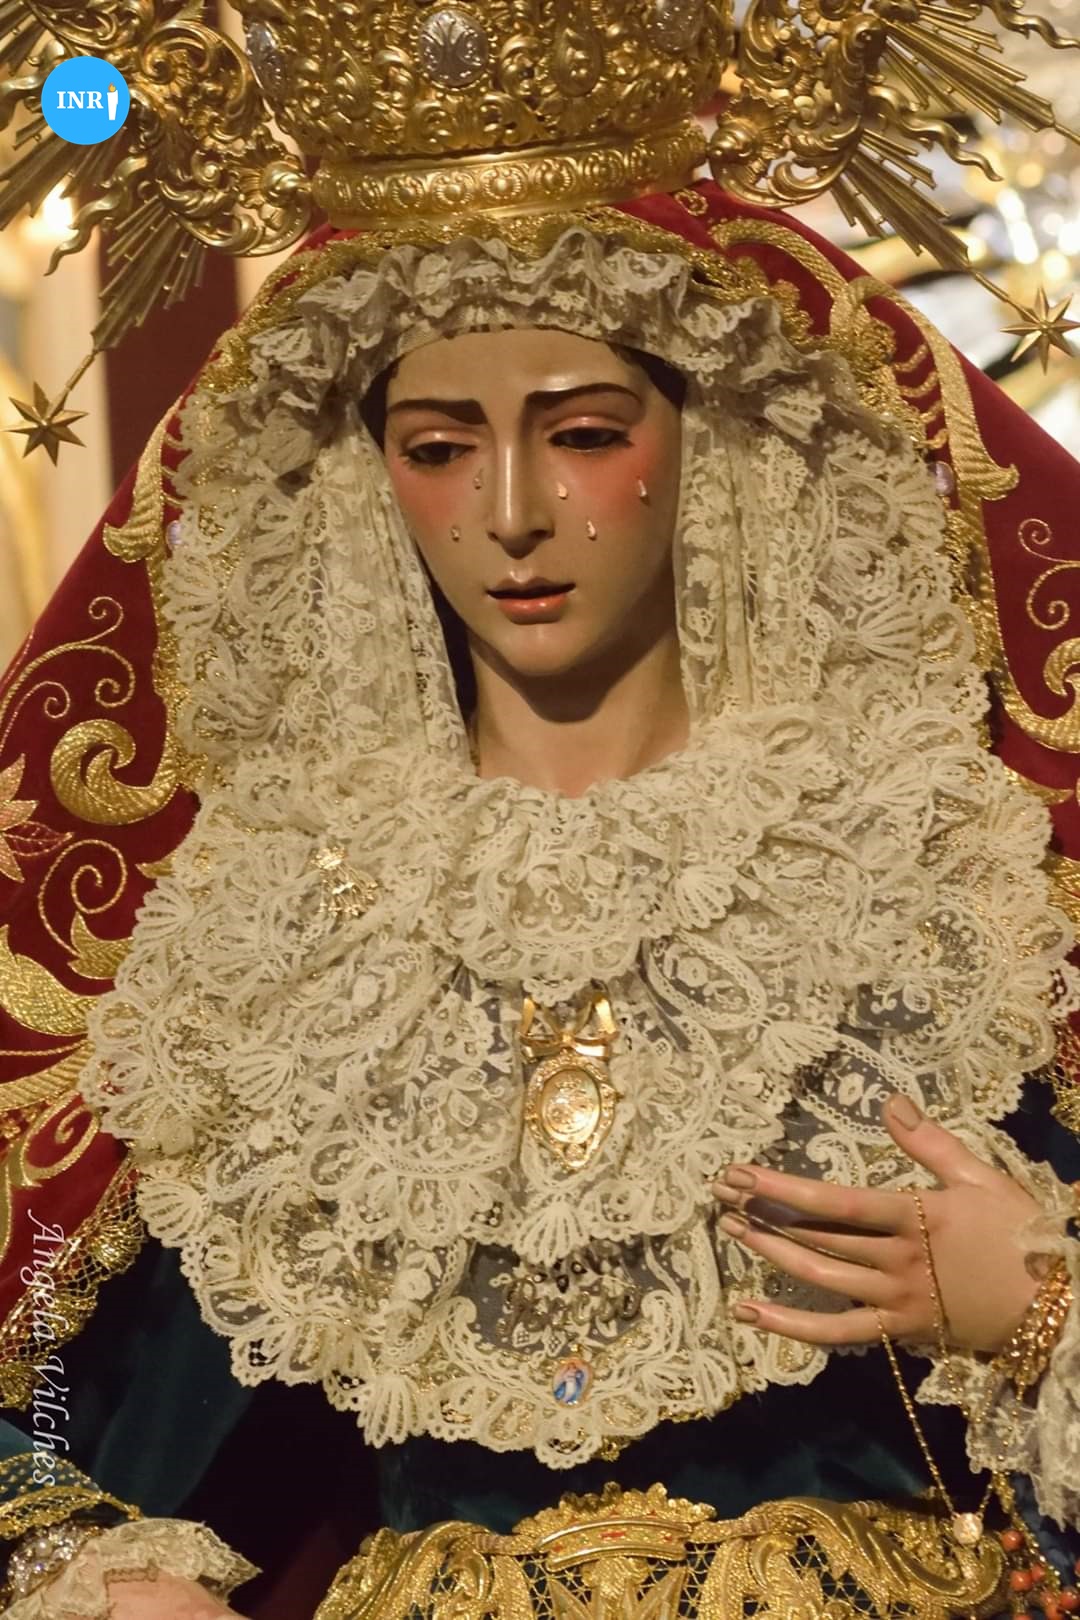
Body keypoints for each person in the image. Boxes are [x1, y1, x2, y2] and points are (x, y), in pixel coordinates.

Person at [4, 8, 1080, 1620]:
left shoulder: (919, 865)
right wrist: (86, 1566)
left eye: (583, 434)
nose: (511, 514)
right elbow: (45, 1398)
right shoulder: (275, 924)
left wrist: (1042, 1309)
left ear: (705, 439)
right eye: (439, 448)